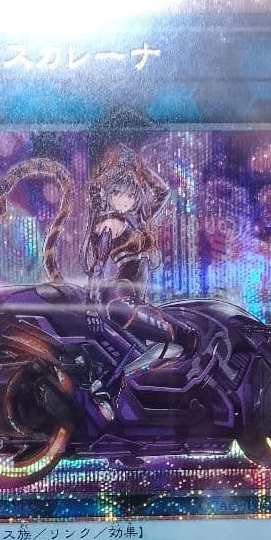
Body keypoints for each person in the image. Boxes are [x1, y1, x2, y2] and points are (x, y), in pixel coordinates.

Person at [82, 145, 198, 379]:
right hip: (122, 292)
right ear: (108, 194)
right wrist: (91, 307)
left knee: (142, 345)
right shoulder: (108, 224)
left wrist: (141, 168)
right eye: (118, 193)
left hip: (135, 290)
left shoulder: (136, 218)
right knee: (179, 334)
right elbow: (97, 267)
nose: (124, 200)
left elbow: (163, 192)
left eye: (130, 195)